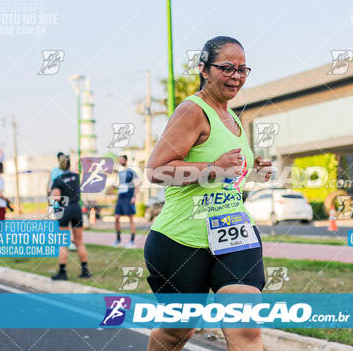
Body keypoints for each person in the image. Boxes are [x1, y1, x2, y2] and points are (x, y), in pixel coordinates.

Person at [144, 36, 272, 351]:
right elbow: (156, 170)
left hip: (234, 236)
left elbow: (228, 177)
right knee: (178, 332)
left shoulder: (233, 119)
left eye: (243, 69)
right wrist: (212, 168)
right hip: (181, 240)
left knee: (247, 332)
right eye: (226, 68)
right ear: (204, 69)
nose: (236, 76)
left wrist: (253, 172)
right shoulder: (192, 110)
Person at [50, 154, 92, 280]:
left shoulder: (58, 179)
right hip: (76, 209)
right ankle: (85, 270)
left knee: (63, 242)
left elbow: (56, 197)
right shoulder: (76, 177)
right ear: (69, 164)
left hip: (65, 209)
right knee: (79, 242)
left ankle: (62, 272)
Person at [112, 155, 139, 248]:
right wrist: (114, 187)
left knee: (130, 218)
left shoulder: (131, 171)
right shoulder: (120, 173)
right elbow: (121, 185)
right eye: (119, 160)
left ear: (126, 160)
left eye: (122, 159)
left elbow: (136, 185)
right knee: (116, 217)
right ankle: (118, 240)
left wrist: (134, 196)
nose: (121, 161)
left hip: (129, 197)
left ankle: (132, 241)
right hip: (121, 197)